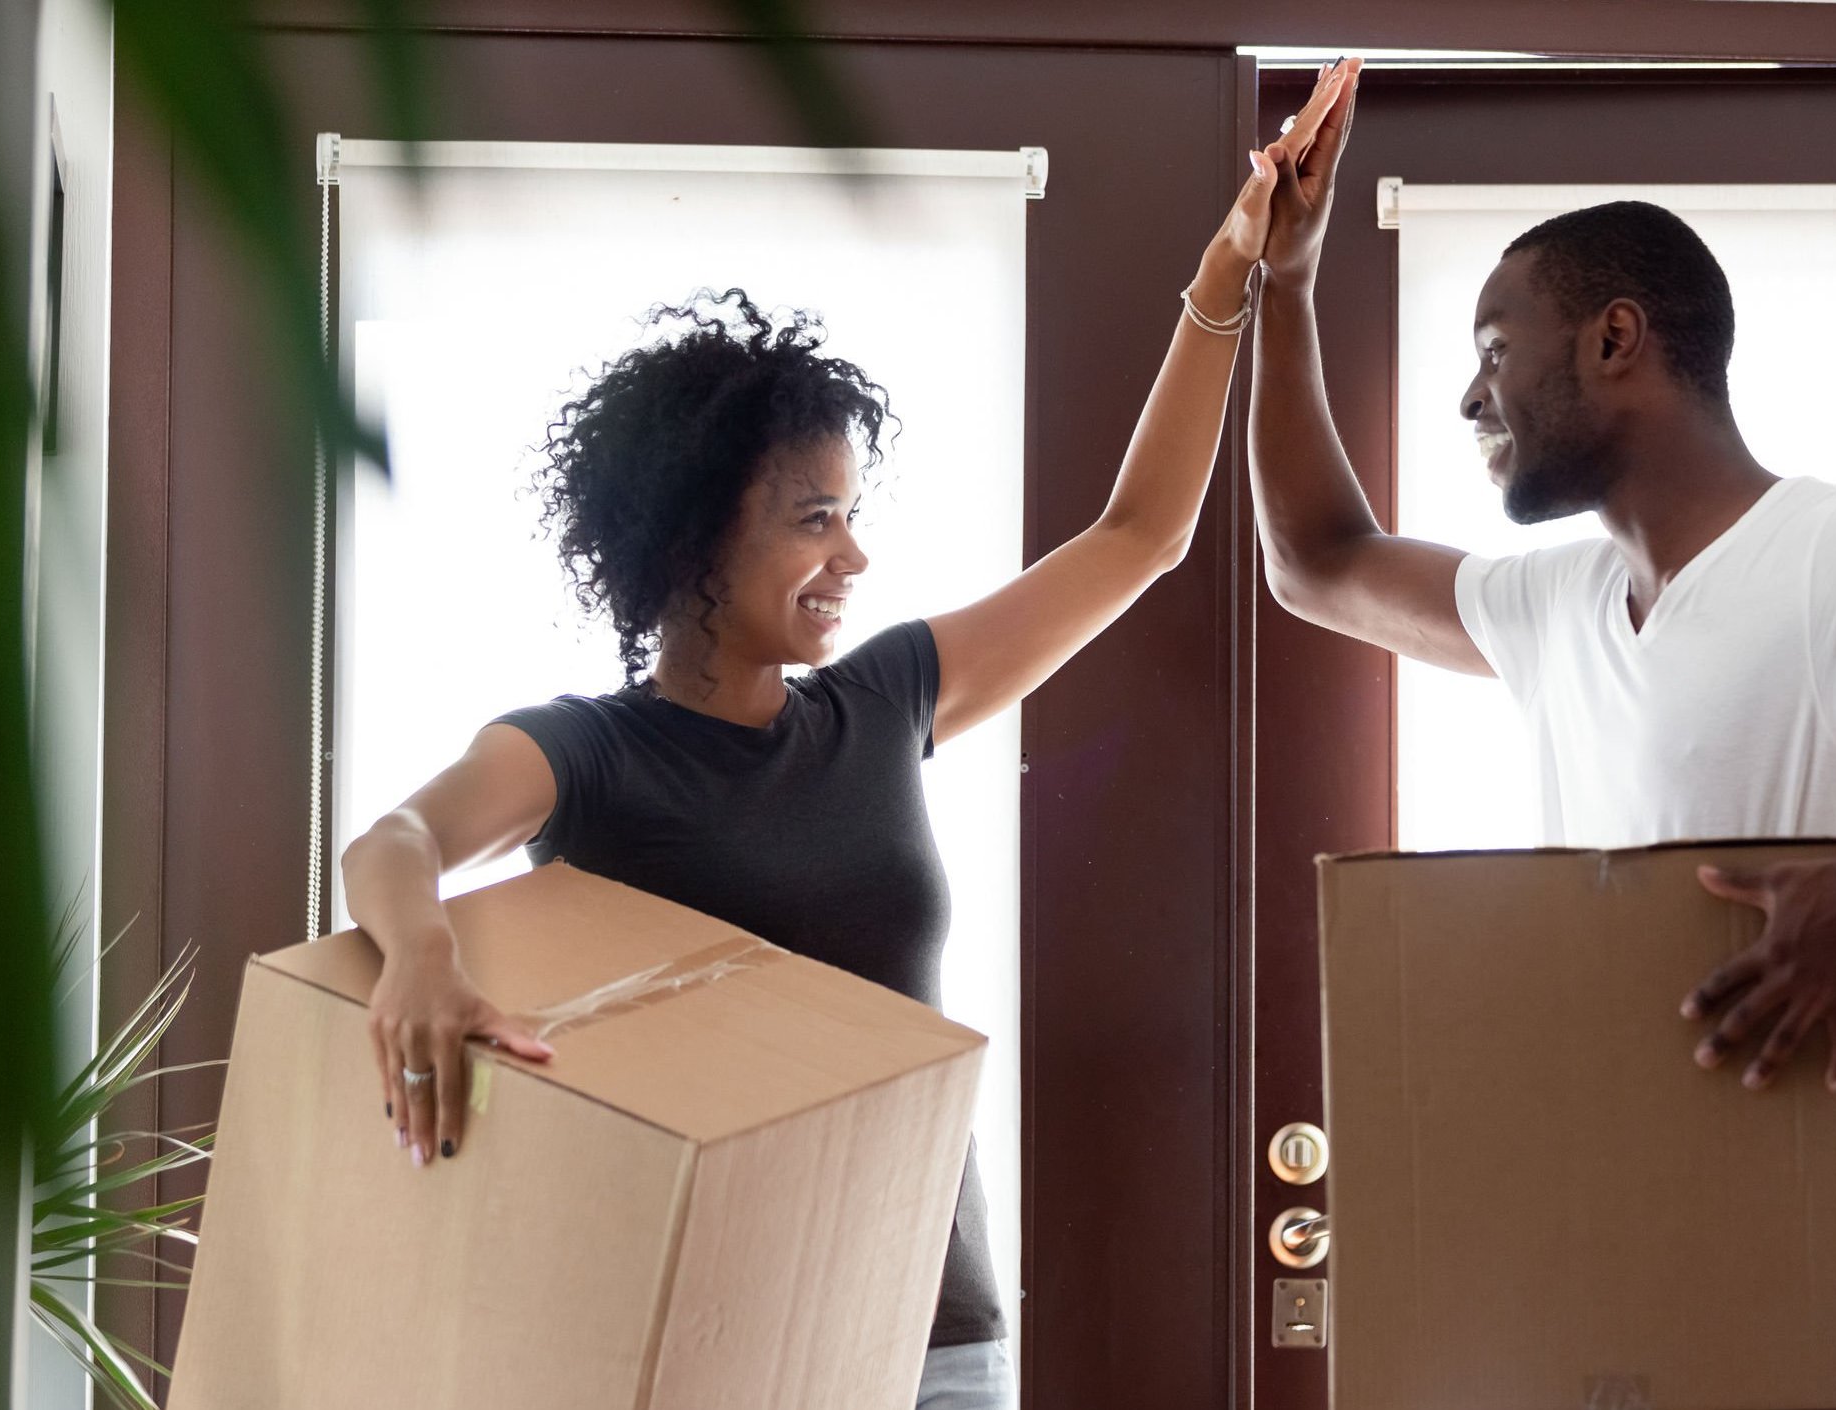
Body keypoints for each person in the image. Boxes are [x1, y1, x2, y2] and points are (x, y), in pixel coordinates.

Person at [338, 65, 1357, 1410]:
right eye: (813, 517)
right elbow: (397, 838)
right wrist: (418, 954)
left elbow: (1141, 535)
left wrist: (1235, 262)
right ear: (697, 530)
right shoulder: (585, 752)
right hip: (705, 1323)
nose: (854, 551)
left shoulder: (885, 700)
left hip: (940, 1328)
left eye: (851, 511)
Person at [1249, 59, 1836, 1409]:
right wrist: (1285, 285)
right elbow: (1316, 561)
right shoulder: (1557, 605)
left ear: (1617, 341)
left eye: (1495, 351)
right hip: (1605, 1308)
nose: (1469, 400)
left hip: (1821, 1311)